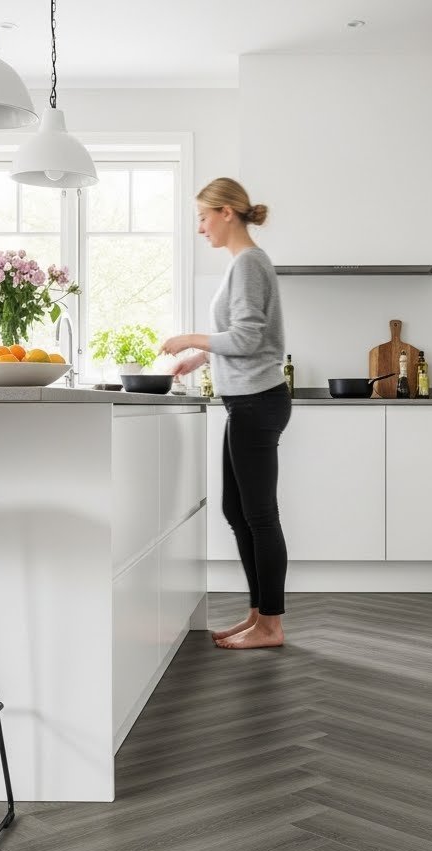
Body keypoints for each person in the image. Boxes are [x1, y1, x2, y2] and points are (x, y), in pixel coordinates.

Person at [160, 177, 291, 650]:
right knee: (238, 510)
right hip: (247, 401)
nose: (200, 228)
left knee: (259, 515)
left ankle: (272, 625)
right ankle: (259, 615)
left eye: (202, 217)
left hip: (257, 402)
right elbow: (239, 340)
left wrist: (191, 339)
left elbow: (249, 339)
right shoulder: (242, 264)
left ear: (225, 213)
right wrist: (199, 359)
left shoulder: (249, 264)